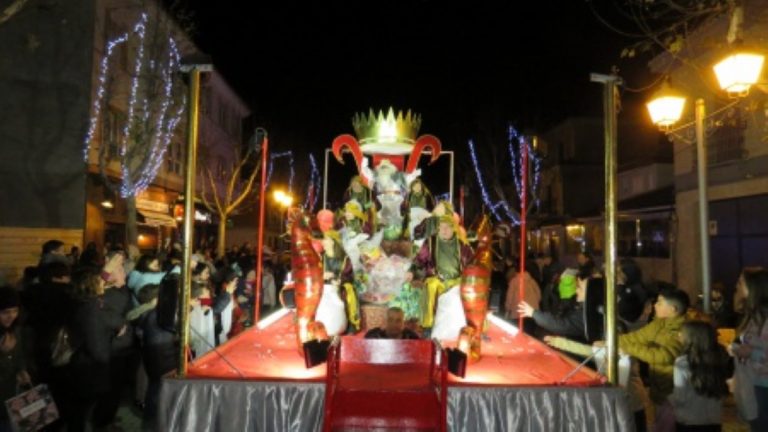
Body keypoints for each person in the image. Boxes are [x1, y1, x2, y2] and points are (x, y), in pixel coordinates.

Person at [601, 286, 689, 407]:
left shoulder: (683, 331)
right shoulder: (659, 324)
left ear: (672, 309)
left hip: (675, 392)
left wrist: (627, 348)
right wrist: (610, 342)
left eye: (659, 303)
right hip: (659, 388)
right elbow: (637, 337)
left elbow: (662, 356)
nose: (654, 305)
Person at [410, 214, 473, 330]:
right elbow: (418, 261)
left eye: (447, 227)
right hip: (437, 279)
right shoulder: (430, 242)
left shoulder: (461, 244)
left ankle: (467, 324)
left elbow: (471, 263)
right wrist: (412, 273)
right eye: (441, 227)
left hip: (457, 281)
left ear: (453, 228)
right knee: (431, 286)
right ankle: (428, 324)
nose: (444, 230)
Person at [668, 321, 731, 432]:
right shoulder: (720, 359)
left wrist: (669, 398)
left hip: (689, 420)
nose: (678, 335)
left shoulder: (683, 362)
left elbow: (680, 397)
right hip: (713, 420)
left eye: (682, 333)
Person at [730, 268, 768, 431]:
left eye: (740, 283)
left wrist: (751, 352)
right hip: (753, 382)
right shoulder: (754, 316)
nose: (736, 286)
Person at [518, 269, 588, 340]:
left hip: (559, 309)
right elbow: (539, 293)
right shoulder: (532, 280)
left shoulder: (584, 313)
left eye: (579, 287)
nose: (576, 290)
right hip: (560, 309)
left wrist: (534, 312)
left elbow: (564, 325)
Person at [0, 286, 32, 432]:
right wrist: (4, 353)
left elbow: (19, 355)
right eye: (5, 312)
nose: (11, 316)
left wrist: (22, 370)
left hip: (12, 396)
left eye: (15, 311)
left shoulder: (15, 329)